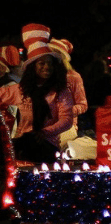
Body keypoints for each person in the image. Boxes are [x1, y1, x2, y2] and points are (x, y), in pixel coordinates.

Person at [0, 24, 73, 163]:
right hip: (23, 143)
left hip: (48, 145)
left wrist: (44, 132)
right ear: (33, 67)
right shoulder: (20, 90)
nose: (47, 67)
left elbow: (67, 120)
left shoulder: (61, 90)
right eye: (42, 63)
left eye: (50, 64)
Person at [49, 38, 88, 147]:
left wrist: (67, 110)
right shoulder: (43, 76)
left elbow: (83, 105)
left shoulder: (73, 77)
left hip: (66, 127)